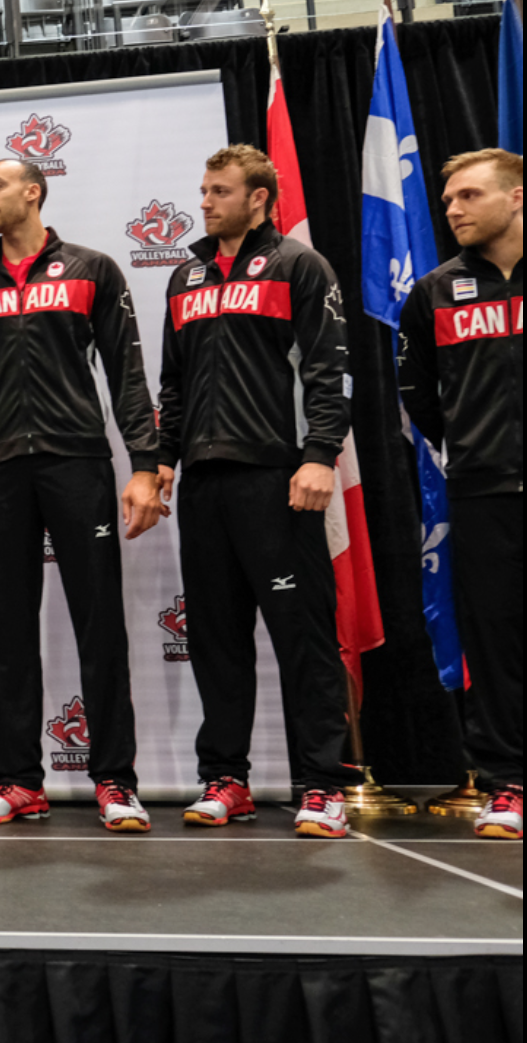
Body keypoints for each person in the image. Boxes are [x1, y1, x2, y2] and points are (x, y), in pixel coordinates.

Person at [0, 159, 163, 832]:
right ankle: (17, 782)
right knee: (6, 630)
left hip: (77, 465)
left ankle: (115, 781)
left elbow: (127, 371)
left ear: (34, 191)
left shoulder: (92, 269)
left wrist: (144, 464)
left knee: (99, 627)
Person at [154, 146, 354, 838]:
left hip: (280, 480)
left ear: (260, 198)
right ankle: (226, 780)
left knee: (304, 639)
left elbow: (330, 371)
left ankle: (324, 784)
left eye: (219, 190)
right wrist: (162, 463)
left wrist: (320, 455)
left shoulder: (300, 265)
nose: (204, 201)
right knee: (215, 640)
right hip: (204, 485)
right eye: (203, 189)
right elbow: (172, 384)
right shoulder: (186, 275)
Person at [397, 147, 523, 842]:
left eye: (469, 196)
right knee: (497, 644)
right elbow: (417, 392)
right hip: (481, 491)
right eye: (447, 201)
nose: (453, 209)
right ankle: (509, 786)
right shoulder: (435, 291)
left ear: (517, 197)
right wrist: (469, 447)